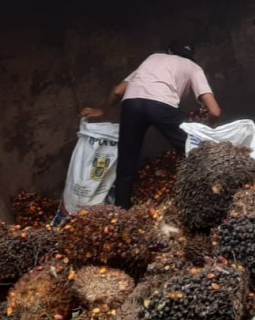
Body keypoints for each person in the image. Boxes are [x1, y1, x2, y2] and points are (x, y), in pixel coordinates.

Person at [81, 43, 221, 208]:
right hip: (161, 106)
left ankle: (121, 211)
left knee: (127, 161)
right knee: (195, 152)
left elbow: (118, 91)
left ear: (169, 52)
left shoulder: (152, 58)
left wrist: (102, 110)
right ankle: (211, 196)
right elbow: (215, 111)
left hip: (131, 105)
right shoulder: (193, 67)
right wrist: (210, 129)